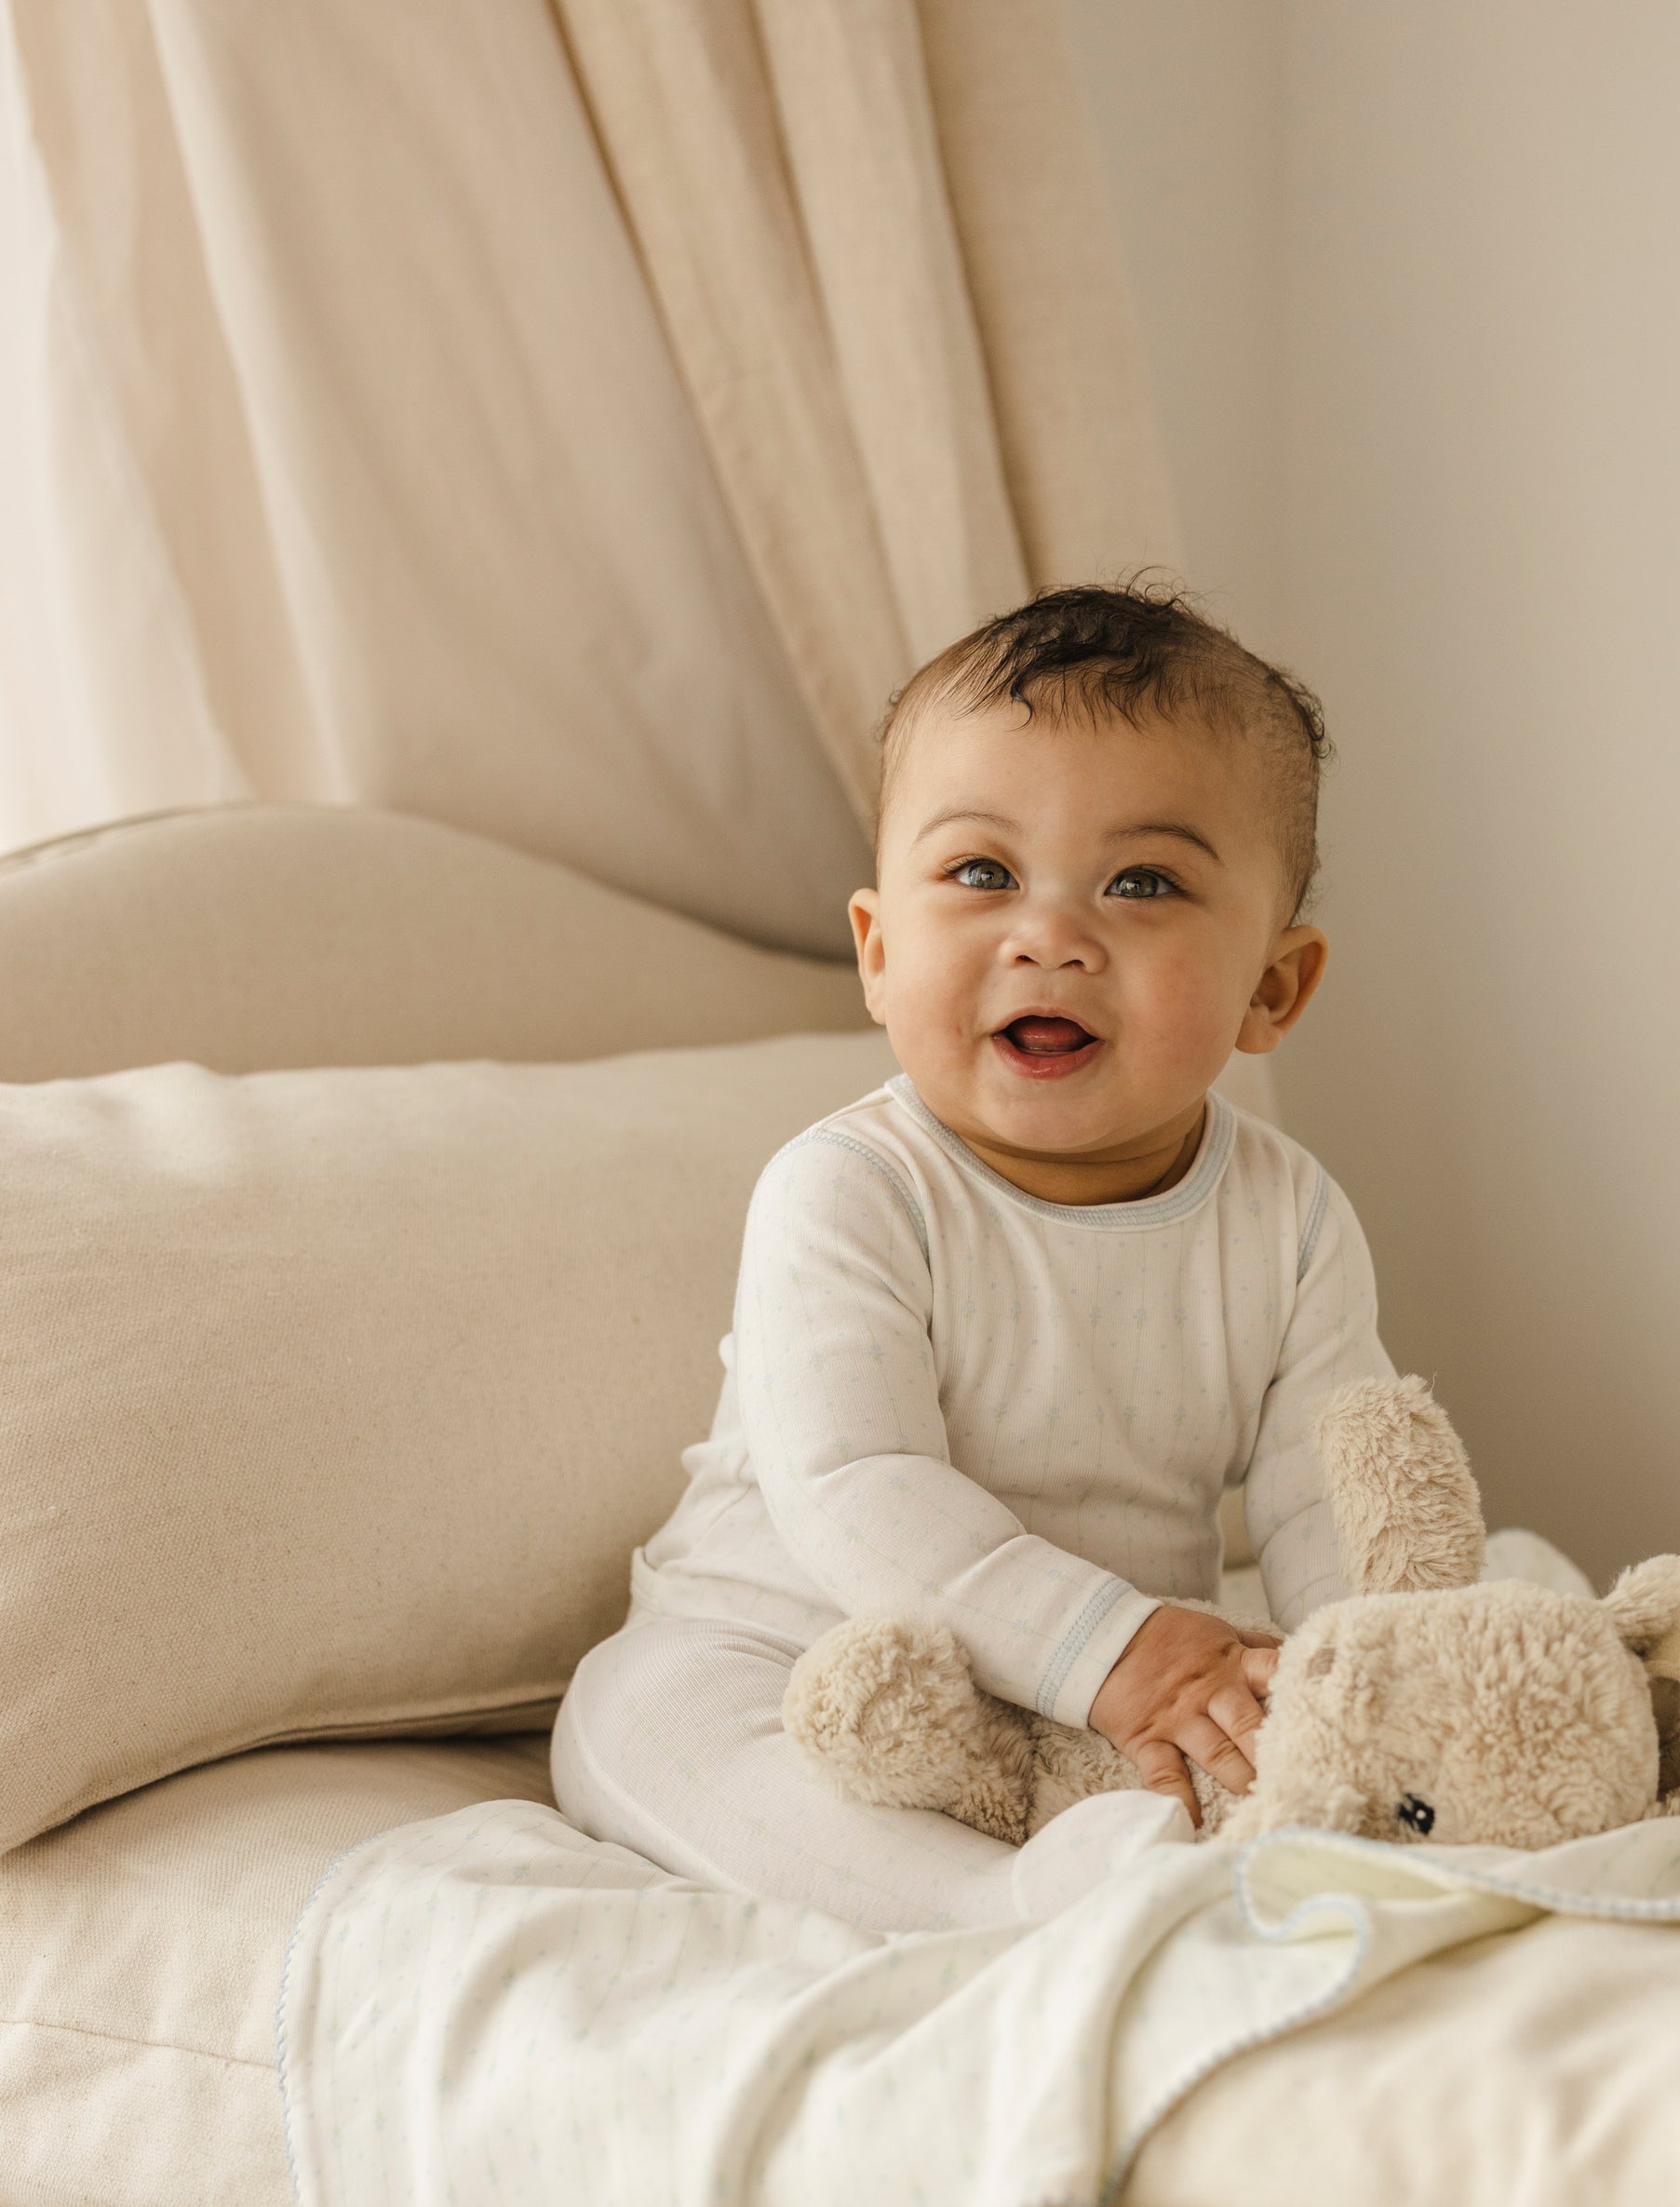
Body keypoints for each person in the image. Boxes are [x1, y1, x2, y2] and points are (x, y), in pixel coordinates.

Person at [553, 584, 1391, 1930]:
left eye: (1143, 883)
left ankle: (1219, 1846)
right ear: (880, 954)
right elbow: (854, 1484)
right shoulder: (847, 1190)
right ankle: (1014, 1909)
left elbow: (1327, 1494)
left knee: (1317, 1717)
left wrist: (1364, 1682)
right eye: (981, 873)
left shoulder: (1288, 1218)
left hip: (1110, 1692)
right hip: (789, 1643)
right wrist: (1114, 1647)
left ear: (1269, 989)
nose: (1049, 933)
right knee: (634, 1722)